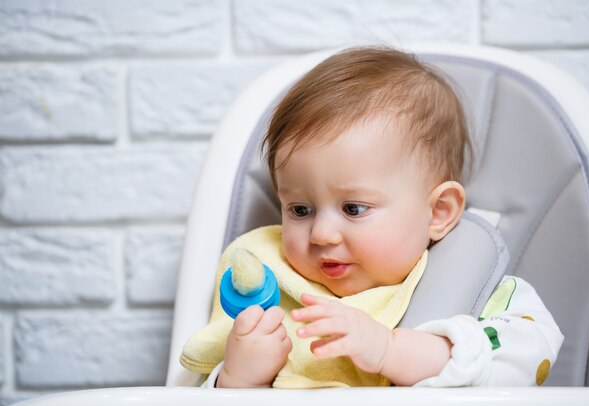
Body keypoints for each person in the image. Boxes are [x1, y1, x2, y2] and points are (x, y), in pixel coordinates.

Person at [180, 46, 563, 388]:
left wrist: (390, 350)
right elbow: (191, 403)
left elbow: (527, 363)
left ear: (439, 212)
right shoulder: (268, 291)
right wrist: (236, 379)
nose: (322, 234)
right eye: (300, 210)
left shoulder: (481, 290)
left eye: (353, 208)